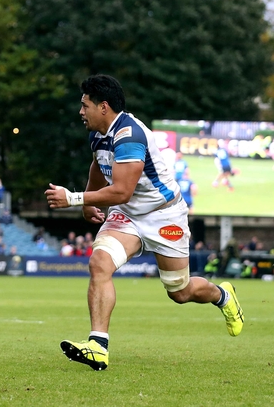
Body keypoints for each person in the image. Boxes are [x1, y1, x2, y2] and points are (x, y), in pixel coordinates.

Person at [45, 74, 243, 371]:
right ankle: (98, 346)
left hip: (163, 215)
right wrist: (89, 203)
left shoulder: (130, 135)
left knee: (180, 292)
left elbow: (122, 190)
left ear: (104, 107)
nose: (80, 111)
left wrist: (75, 199)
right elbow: (98, 164)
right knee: (99, 263)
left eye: (85, 105)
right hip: (126, 215)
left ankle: (224, 296)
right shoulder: (98, 133)